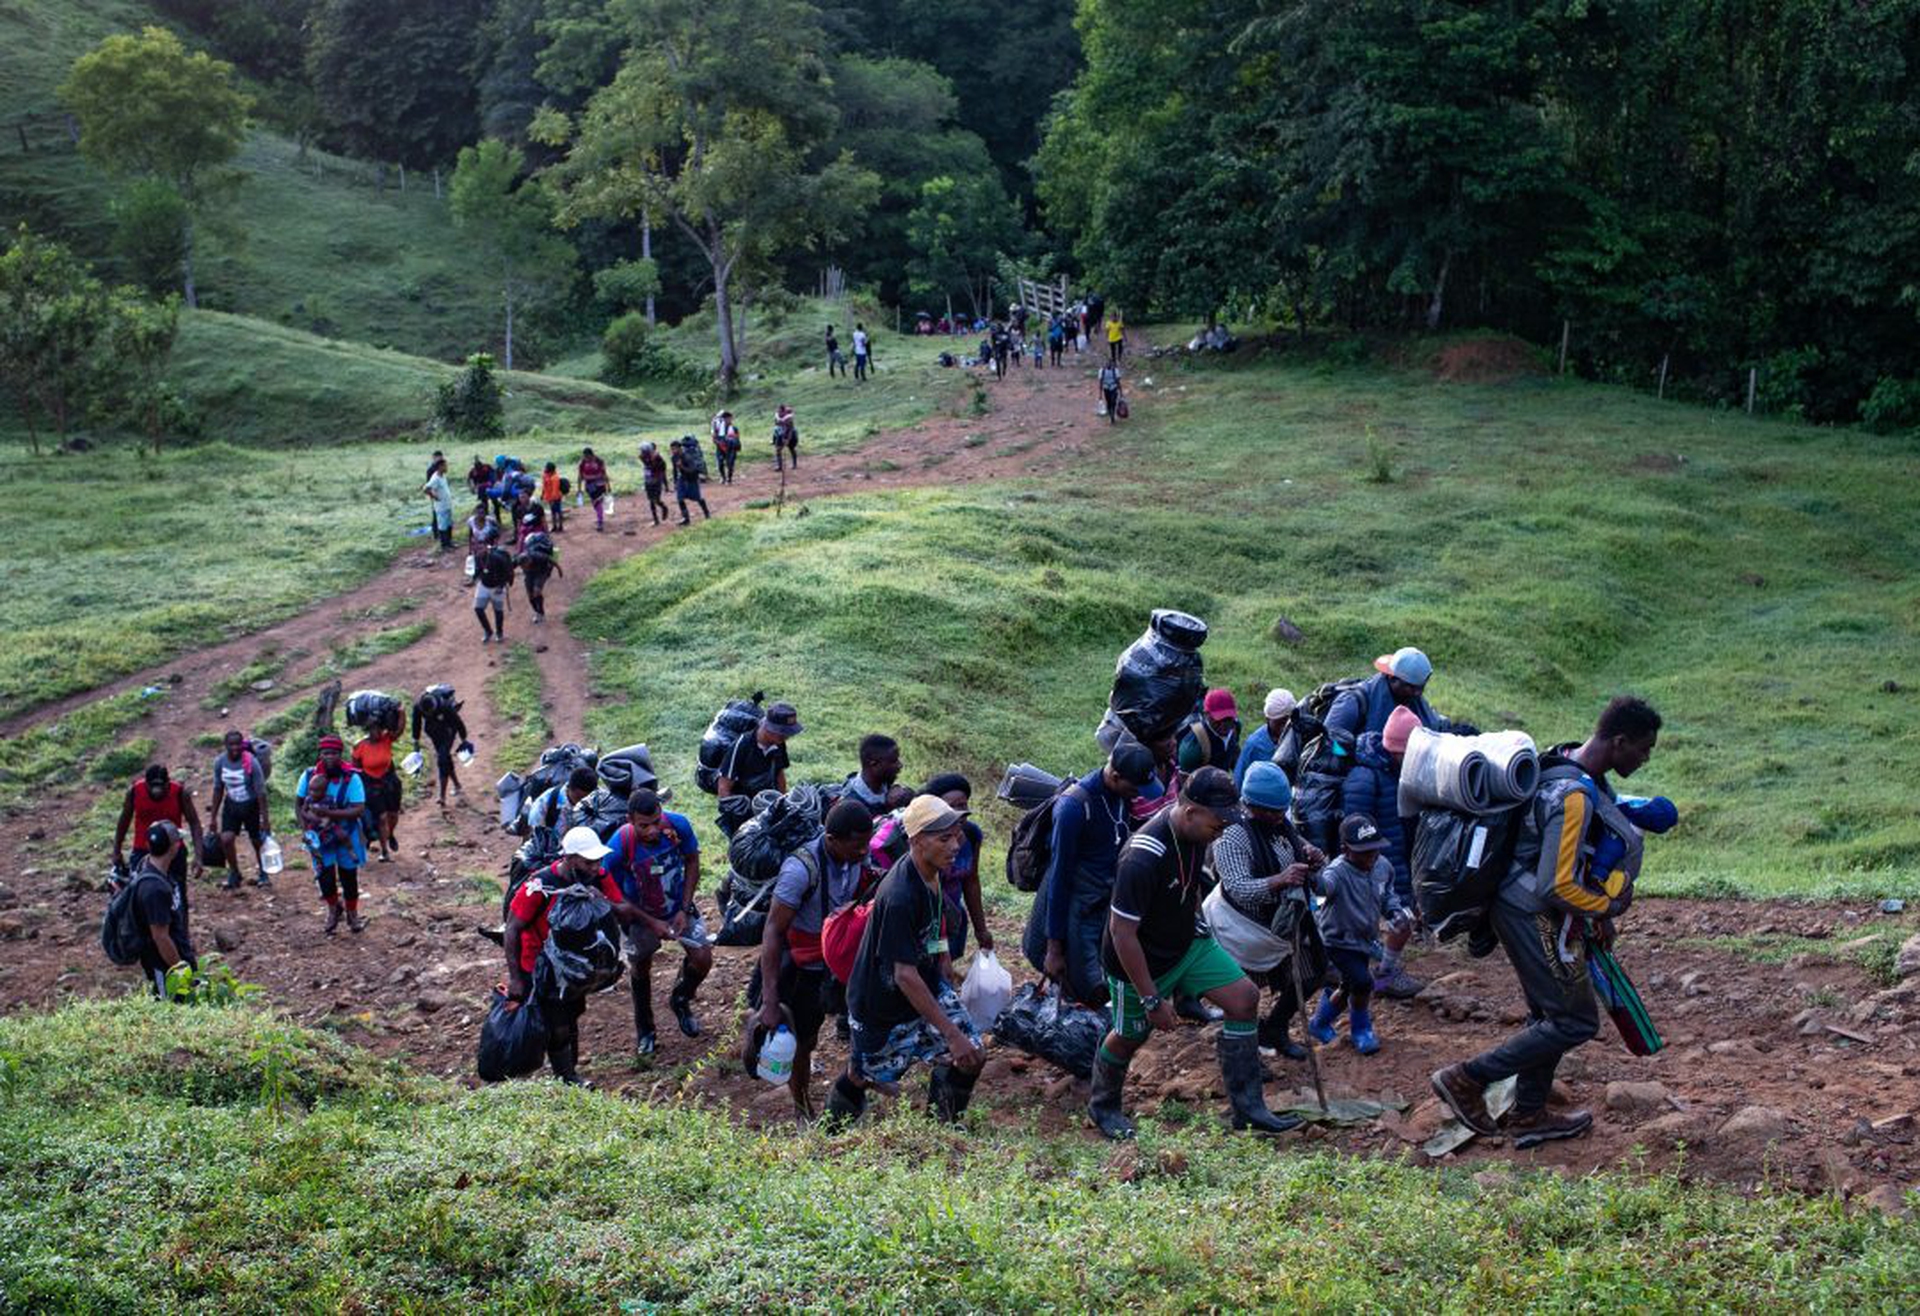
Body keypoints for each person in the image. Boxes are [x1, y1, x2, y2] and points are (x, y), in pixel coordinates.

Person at [1432, 696, 1662, 1149]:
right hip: (1530, 911)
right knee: (1574, 1020)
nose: (1646, 757)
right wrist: (1606, 907)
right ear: (1619, 741)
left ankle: (1529, 1113)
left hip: (1520, 904)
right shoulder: (1574, 794)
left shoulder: (1562, 761)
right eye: (1644, 748)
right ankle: (1466, 1078)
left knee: (1550, 1014)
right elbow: (1556, 885)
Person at [1089, 767, 1300, 1140]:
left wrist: (1197, 921)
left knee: (1244, 999)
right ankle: (1103, 1104)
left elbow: (1189, 885)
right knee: (1129, 1034)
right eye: (1218, 824)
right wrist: (1153, 998)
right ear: (1190, 812)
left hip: (1187, 944)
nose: (1222, 831)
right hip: (1137, 961)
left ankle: (1248, 1109)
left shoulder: (1197, 830)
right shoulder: (1142, 857)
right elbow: (1121, 933)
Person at [830, 795, 986, 1127]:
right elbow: (903, 975)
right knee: (862, 1075)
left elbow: (934, 914)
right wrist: (950, 1034)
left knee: (972, 1056)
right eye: (944, 838)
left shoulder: (931, 869)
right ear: (916, 841)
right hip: (882, 1004)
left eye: (956, 835)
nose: (955, 844)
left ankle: (942, 1132)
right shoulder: (899, 895)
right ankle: (828, 1136)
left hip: (923, 983)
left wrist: (941, 952)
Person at [749, 799, 874, 1120]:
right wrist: (771, 1000)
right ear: (832, 840)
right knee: (802, 1042)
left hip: (839, 961)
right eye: (857, 846)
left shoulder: (856, 856)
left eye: (866, 844)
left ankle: (851, 1096)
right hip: (804, 966)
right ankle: (802, 1108)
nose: (863, 852)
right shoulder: (801, 869)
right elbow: (774, 932)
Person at [502, 826, 650, 1085]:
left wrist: (601, 899)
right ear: (569, 858)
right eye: (588, 862)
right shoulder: (540, 885)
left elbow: (624, 909)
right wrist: (516, 977)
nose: (595, 867)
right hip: (540, 963)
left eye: (597, 861)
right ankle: (567, 1077)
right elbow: (512, 928)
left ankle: (567, 1071)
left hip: (576, 964)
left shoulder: (599, 877)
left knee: (572, 1014)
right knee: (558, 1021)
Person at [1207, 762, 1326, 1057]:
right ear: (1250, 805)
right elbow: (1237, 887)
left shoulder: (1277, 822)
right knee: (1243, 997)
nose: (1278, 816)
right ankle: (1242, 1055)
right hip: (1243, 926)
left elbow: (1293, 843)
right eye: (1271, 811)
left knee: (1313, 973)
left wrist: (1312, 854)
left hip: (1283, 922)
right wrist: (1278, 880)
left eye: (1281, 810)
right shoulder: (1232, 834)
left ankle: (1274, 1028)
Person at [1022, 741, 1154, 1008]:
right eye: (1134, 787)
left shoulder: (1120, 795)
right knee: (1087, 985)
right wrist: (1054, 947)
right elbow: (1060, 878)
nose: (1138, 794)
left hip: (1103, 898)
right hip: (1075, 901)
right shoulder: (1074, 807)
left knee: (1108, 977)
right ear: (1115, 776)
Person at [603, 789, 710, 1056]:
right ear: (630, 820)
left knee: (702, 957)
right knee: (641, 967)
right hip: (639, 915)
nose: (652, 831)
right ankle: (646, 1030)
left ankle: (681, 999)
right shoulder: (619, 844)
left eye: (656, 821)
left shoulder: (678, 825)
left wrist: (684, 909)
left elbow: (692, 860)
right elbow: (611, 891)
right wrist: (650, 922)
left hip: (677, 906)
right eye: (643, 825)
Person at [1304, 814, 1403, 1055]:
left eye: (1375, 850)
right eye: (1364, 852)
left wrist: (1394, 910)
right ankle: (1361, 1029)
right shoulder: (1337, 872)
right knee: (1363, 982)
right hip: (1336, 940)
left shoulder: (1382, 866)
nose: (1371, 857)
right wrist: (1312, 876)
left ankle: (1319, 1023)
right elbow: (1323, 890)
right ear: (1345, 849)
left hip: (1364, 940)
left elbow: (1386, 893)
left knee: (1349, 986)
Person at [1342, 704, 1421, 997]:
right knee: (1369, 926)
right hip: (1374, 864)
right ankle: (1370, 979)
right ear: (1396, 748)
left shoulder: (1397, 770)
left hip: (1397, 860)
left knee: (1404, 921)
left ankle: (1383, 976)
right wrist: (1368, 866)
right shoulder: (1364, 778)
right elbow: (1355, 828)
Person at [295, 734, 367, 934]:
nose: (330, 757)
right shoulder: (309, 775)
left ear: (340, 754)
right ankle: (333, 909)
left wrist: (329, 813)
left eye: (334, 753)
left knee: (348, 876)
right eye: (326, 753)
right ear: (320, 754)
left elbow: (358, 808)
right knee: (324, 876)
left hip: (346, 832)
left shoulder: (351, 778)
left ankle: (352, 913)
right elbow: (299, 803)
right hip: (319, 836)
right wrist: (305, 830)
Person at [920, 773, 992, 961]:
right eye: (952, 807)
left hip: (954, 920)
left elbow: (971, 880)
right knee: (935, 964)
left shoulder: (972, 834)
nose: (960, 812)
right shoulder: (928, 839)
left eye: (963, 805)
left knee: (947, 961)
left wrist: (981, 930)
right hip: (931, 923)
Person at [121, 821, 197, 999]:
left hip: (173, 961)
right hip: (164, 969)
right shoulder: (154, 888)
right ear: (174, 847)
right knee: (169, 1007)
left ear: (149, 845)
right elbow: (160, 937)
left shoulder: (153, 870)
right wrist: (182, 973)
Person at [112, 765, 206, 888]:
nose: (157, 790)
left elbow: (194, 823)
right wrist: (116, 850)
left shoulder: (179, 793)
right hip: (143, 849)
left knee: (177, 890)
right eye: (153, 786)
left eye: (161, 786)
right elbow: (123, 822)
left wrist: (198, 857)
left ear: (168, 782)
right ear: (146, 783)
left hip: (172, 850)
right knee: (140, 890)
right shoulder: (135, 792)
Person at [205, 731, 270, 889]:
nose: (235, 748)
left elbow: (261, 792)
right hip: (232, 805)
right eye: (231, 744)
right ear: (226, 745)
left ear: (242, 745)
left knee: (257, 841)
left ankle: (263, 873)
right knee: (226, 839)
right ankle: (235, 873)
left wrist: (264, 818)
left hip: (251, 805)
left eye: (237, 744)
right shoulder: (220, 762)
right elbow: (218, 789)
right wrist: (213, 817)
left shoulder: (251, 762)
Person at [717, 702, 800, 800]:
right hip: (744, 804)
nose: (786, 737)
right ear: (768, 729)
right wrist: (733, 808)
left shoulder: (778, 742)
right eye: (782, 733)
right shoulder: (742, 745)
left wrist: (783, 801)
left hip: (766, 800)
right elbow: (724, 787)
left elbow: (779, 773)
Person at [351, 724, 402, 863]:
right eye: (375, 729)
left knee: (393, 814)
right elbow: (354, 769)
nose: (379, 732)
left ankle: (390, 834)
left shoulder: (386, 739)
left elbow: (399, 729)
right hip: (371, 785)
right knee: (382, 817)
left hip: (390, 783)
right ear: (369, 730)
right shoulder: (360, 746)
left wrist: (402, 712)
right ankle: (384, 850)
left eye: (380, 729)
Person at [412, 687, 469, 807]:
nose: (428, 714)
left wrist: (464, 740)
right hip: (434, 732)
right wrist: (416, 743)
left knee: (442, 759)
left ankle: (442, 796)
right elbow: (416, 724)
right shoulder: (418, 707)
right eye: (426, 714)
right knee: (444, 758)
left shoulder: (445, 706)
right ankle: (457, 785)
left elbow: (458, 723)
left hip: (448, 729)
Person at [1235, 688, 1303, 788]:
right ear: (1267, 719)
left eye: (1288, 723)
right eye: (1279, 723)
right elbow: (1239, 781)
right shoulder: (1255, 745)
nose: (1284, 728)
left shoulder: (1301, 737)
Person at [1178, 688, 1243, 773]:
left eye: (1228, 718)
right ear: (1206, 715)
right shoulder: (1193, 746)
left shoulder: (1235, 727)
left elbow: (1233, 751)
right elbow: (1185, 781)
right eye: (1219, 719)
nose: (1224, 724)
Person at [472, 532, 516, 644]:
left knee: (498, 611)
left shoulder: (497, 558)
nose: (478, 551)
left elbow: (507, 573)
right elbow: (478, 570)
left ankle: (499, 633)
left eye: (480, 548)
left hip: (497, 587)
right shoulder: (477, 558)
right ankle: (488, 631)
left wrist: (501, 586)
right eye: (476, 549)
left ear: (486, 547)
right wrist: (473, 579)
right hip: (484, 585)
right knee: (478, 609)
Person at [839, 734, 901, 812]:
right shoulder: (851, 808)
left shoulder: (886, 784)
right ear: (873, 764)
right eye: (893, 761)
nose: (900, 765)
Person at [517, 520, 563, 626]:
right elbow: (509, 567)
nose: (525, 567)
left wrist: (560, 570)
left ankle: (541, 612)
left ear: (529, 560)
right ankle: (537, 611)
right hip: (530, 574)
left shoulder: (537, 556)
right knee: (530, 595)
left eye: (526, 564)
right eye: (523, 566)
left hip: (542, 571)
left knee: (537, 591)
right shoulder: (519, 560)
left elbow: (552, 561)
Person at [672, 437, 711, 525]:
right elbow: (674, 470)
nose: (673, 451)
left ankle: (706, 513)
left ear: (679, 448)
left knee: (697, 498)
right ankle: (686, 519)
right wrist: (675, 481)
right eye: (672, 449)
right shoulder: (674, 457)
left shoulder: (687, 457)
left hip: (692, 479)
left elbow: (692, 470)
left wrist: (681, 466)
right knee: (680, 498)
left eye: (674, 449)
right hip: (682, 479)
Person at [422, 457, 455, 551]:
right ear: (440, 466)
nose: (447, 467)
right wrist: (434, 497)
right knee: (443, 526)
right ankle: (444, 546)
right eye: (445, 465)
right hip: (441, 507)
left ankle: (449, 542)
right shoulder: (435, 478)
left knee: (448, 524)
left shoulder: (442, 475)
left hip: (447, 504)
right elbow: (426, 488)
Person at [636, 440, 670, 526]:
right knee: (651, 501)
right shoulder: (644, 457)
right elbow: (645, 461)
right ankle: (656, 520)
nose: (641, 453)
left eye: (643, 451)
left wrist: (666, 485)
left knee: (656, 500)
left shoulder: (659, 459)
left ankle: (664, 508)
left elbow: (663, 472)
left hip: (656, 481)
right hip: (648, 481)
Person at [578, 446, 611, 532]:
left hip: (600, 485)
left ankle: (600, 521)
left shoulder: (599, 461)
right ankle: (599, 516)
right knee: (595, 503)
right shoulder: (582, 463)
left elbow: (604, 473)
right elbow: (580, 476)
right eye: (584, 456)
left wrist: (608, 486)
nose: (586, 458)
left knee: (597, 502)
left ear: (591, 455)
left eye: (587, 456)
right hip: (589, 486)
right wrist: (579, 489)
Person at [773, 405, 799, 472]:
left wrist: (788, 439)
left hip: (791, 434)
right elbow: (776, 423)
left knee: (791, 448)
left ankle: (794, 464)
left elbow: (790, 430)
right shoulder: (777, 416)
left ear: (784, 412)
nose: (779, 413)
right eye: (778, 411)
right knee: (778, 450)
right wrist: (779, 422)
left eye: (781, 412)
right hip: (781, 433)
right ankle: (779, 466)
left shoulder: (789, 418)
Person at [541, 461, 566, 532]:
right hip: (549, 497)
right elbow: (544, 486)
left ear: (550, 469)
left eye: (546, 467)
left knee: (558, 511)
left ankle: (560, 526)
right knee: (553, 512)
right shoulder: (545, 475)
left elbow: (555, 491)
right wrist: (542, 494)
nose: (544, 468)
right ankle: (554, 526)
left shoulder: (555, 478)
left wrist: (552, 500)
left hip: (556, 497)